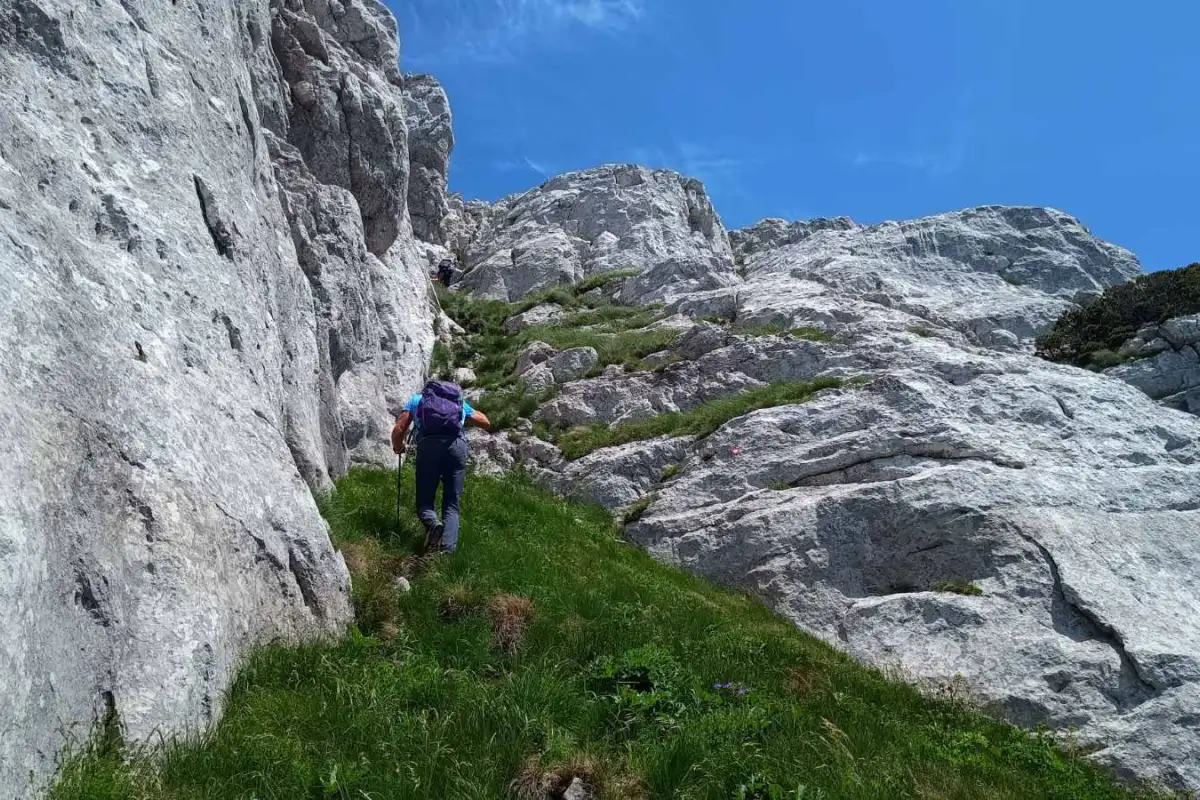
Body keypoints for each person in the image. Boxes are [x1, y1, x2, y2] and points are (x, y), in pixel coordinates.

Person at [391, 379, 490, 554]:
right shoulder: (457, 403)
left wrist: (398, 447)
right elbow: (485, 422)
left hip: (429, 447)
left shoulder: (417, 400)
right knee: (452, 503)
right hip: (457, 447)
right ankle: (446, 554)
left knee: (425, 500)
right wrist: (461, 418)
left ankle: (433, 524)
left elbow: (399, 429)